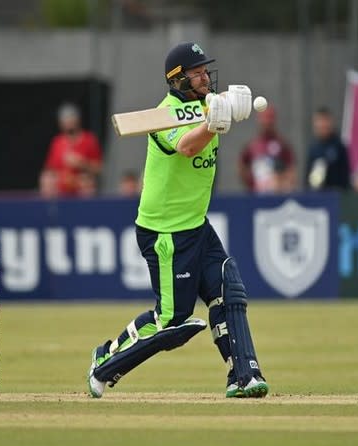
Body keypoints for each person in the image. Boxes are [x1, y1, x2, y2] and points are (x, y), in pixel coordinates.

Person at [87, 42, 268, 399]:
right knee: (172, 318)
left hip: (196, 223)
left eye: (205, 71)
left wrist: (231, 109)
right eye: (197, 72)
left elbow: (214, 116)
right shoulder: (164, 115)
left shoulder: (207, 105)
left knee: (227, 290)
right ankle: (105, 362)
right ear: (178, 80)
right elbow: (187, 146)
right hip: (165, 231)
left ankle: (243, 375)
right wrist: (215, 125)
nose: (205, 77)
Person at [43, 103, 103, 197]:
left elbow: (99, 169)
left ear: (78, 120)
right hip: (61, 194)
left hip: (83, 194)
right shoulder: (57, 142)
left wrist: (82, 163)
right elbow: (50, 170)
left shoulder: (89, 140)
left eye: (71, 118)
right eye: (65, 119)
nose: (68, 122)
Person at [238, 106, 296, 194]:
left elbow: (291, 169)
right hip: (257, 194)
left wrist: (282, 182)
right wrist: (251, 183)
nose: (267, 123)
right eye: (264, 120)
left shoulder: (282, 144)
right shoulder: (253, 145)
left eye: (269, 120)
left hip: (276, 194)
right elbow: (242, 165)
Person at [305, 107, 351, 191]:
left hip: (336, 196)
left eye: (325, 121)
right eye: (319, 121)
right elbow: (308, 176)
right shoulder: (313, 148)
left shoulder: (339, 146)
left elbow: (346, 176)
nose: (322, 125)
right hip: (317, 196)